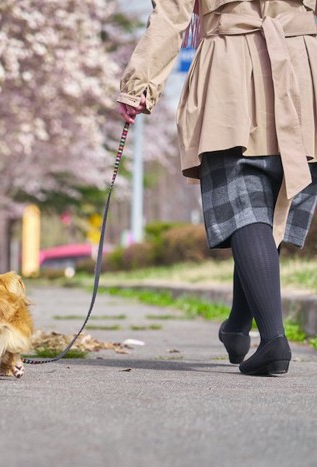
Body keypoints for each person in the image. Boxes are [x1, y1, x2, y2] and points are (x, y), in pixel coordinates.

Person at [117, 0, 317, 376]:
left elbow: (172, 14)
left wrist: (139, 85)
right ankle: (238, 327)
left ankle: (274, 340)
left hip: (232, 68)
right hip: (305, 67)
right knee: (270, 207)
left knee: (245, 206)